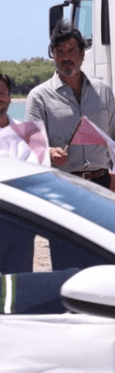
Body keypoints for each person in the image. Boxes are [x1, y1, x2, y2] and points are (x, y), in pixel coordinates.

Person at [25, 21, 115, 192]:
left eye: (71, 51)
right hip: (63, 186)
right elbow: (31, 147)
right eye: (59, 52)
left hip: (103, 184)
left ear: (82, 54)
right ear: (53, 55)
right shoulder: (39, 97)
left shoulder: (103, 91)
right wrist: (50, 152)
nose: (66, 58)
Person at [0, 73, 37, 273]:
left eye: (1, 93)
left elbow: (40, 171)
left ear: (10, 97)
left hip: (21, 223)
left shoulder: (30, 132)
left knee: (19, 282)